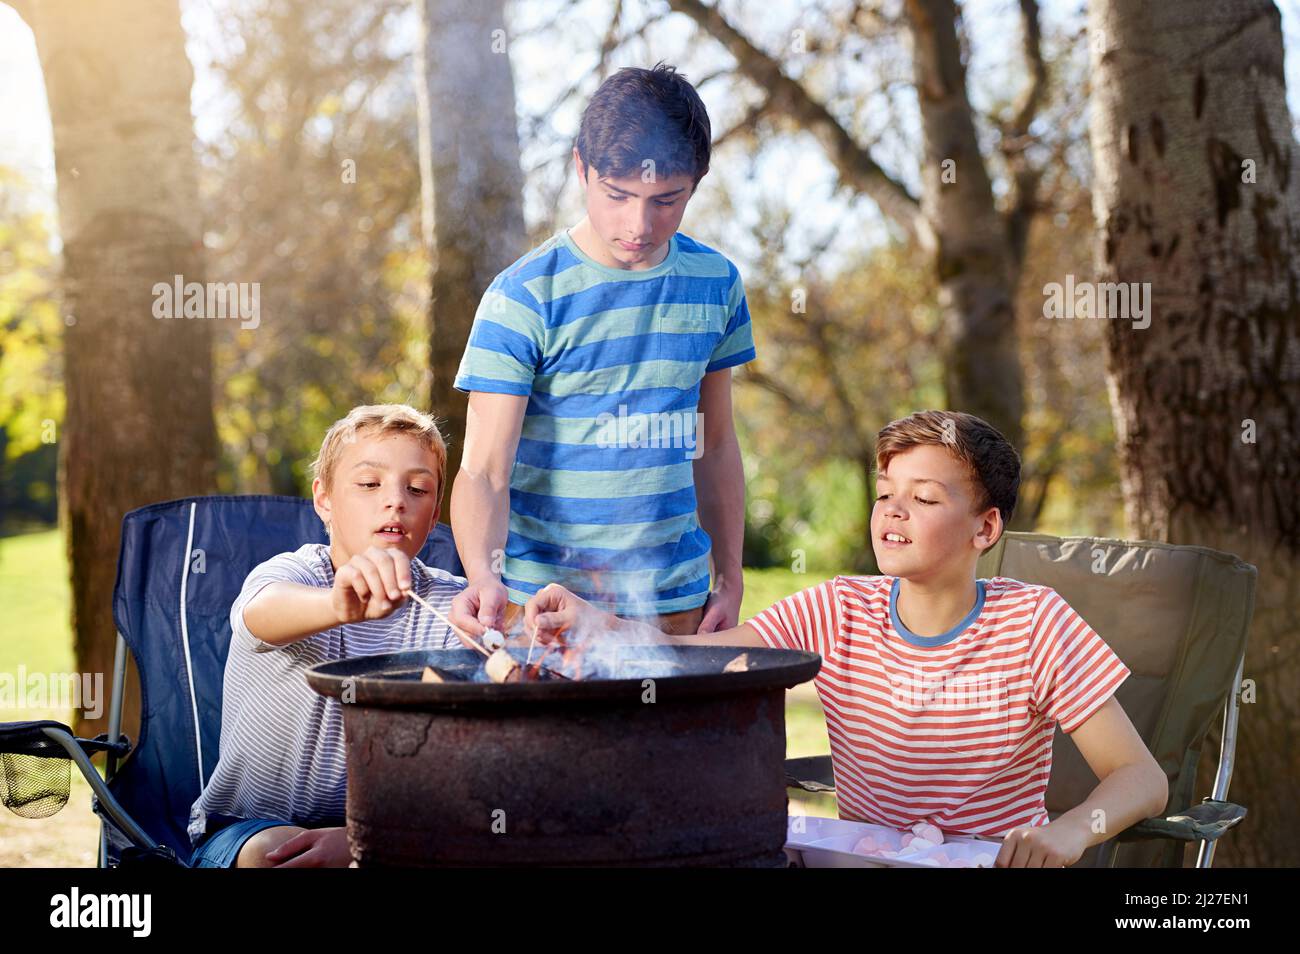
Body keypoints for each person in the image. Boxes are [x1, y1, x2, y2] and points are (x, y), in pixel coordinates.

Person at [523, 410, 1169, 867]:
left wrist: (1070, 832)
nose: (892, 509)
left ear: (985, 527)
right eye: (886, 492)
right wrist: (598, 625)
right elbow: (702, 659)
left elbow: (1141, 776)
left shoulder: (1036, 623)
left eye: (923, 497)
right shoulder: (839, 608)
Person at [449, 62, 754, 641]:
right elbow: (484, 470)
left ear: (696, 182)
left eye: (667, 199)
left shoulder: (717, 284)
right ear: (581, 168)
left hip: (677, 605)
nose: (639, 224)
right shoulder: (523, 296)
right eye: (618, 195)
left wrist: (730, 575)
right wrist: (481, 576)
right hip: (543, 608)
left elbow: (713, 444)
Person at [186, 404, 465, 867]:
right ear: (324, 500)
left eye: (417, 489)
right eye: (369, 483)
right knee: (279, 854)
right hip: (247, 830)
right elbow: (260, 613)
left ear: (434, 514)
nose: (395, 500)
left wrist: (362, 840)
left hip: (393, 832)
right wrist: (338, 605)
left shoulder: (450, 605)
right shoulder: (296, 575)